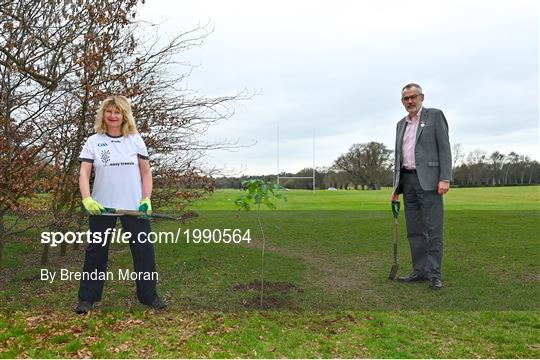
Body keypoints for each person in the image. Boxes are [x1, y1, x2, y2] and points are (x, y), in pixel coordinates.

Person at [75, 95, 166, 313]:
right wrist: (87, 198)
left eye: (118, 112)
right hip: (102, 207)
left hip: (134, 207)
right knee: (96, 252)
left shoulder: (135, 139)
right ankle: (87, 299)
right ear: (103, 115)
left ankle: (149, 296)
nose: (113, 116)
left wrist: (146, 199)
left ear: (125, 115)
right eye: (109, 111)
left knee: (144, 251)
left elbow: (146, 172)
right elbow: (84, 172)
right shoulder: (93, 141)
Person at [391, 83, 452, 290]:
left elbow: (445, 149)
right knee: (414, 230)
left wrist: (445, 178)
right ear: (402, 102)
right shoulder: (401, 124)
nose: (410, 101)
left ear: (422, 97)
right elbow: (398, 157)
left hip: (430, 182)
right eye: (406, 98)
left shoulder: (435, 116)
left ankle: (435, 274)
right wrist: (395, 188)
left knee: (434, 230)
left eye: (413, 97)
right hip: (407, 182)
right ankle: (420, 270)